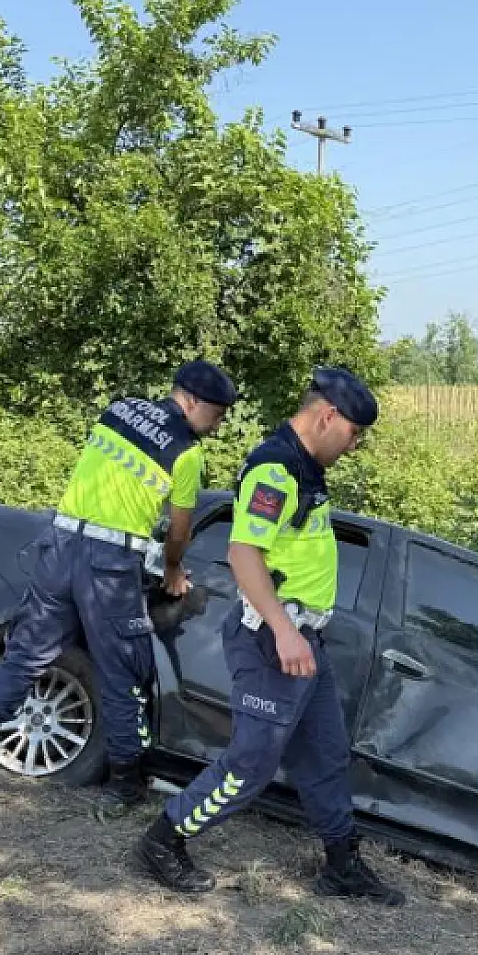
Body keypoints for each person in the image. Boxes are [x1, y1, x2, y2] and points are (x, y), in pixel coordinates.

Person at [137, 366, 405, 906]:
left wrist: (298, 633)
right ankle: (164, 839)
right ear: (328, 416)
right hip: (272, 642)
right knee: (253, 761)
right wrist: (284, 631)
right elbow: (243, 553)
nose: (353, 446)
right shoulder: (275, 468)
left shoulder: (305, 468)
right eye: (353, 433)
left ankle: (341, 865)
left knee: (326, 754)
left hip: (306, 642)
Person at [0, 360, 237, 810]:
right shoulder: (186, 452)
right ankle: (123, 786)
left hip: (59, 548)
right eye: (215, 415)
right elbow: (179, 531)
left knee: (25, 655)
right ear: (191, 400)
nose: (214, 427)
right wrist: (173, 571)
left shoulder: (119, 412)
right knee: (121, 672)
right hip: (109, 565)